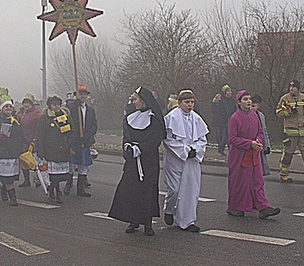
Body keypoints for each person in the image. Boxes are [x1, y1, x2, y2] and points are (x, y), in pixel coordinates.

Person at [108, 87, 166, 236]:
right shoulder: (130, 118)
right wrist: (127, 147)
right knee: (131, 189)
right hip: (132, 162)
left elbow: (155, 139)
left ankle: (147, 223)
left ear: (143, 100)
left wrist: (140, 149)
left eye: (135, 99)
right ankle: (132, 220)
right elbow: (126, 136)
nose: (133, 102)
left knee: (147, 191)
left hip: (148, 161)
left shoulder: (154, 119)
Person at [226, 90, 280, 219]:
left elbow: (260, 132)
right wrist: (249, 143)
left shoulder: (254, 115)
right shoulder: (234, 118)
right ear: (239, 102)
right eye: (245, 99)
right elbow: (232, 138)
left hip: (254, 154)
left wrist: (259, 142)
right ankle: (235, 206)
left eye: (249, 99)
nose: (249, 101)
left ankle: (262, 206)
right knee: (239, 181)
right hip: (239, 156)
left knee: (257, 180)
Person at [162, 90, 208, 233]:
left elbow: (202, 139)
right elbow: (168, 139)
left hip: (192, 161)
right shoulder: (171, 118)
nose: (190, 105)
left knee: (190, 190)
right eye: (187, 102)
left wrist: (196, 149)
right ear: (180, 103)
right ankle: (169, 209)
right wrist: (184, 151)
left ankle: (187, 221)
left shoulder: (197, 119)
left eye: (192, 102)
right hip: (175, 159)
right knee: (174, 189)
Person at [0, 96, 29, 206]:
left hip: (15, 151)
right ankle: (13, 197)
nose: (8, 108)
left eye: (10, 106)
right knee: (7, 176)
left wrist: (30, 142)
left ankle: (4, 191)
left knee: (11, 176)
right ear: (2, 109)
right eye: (5, 106)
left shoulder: (16, 120)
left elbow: (21, 134)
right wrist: (0, 138)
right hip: (3, 152)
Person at [37, 96, 74, 204]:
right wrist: (40, 151)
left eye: (58, 104)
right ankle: (57, 191)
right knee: (53, 174)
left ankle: (53, 187)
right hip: (51, 149)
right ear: (50, 106)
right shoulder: (45, 118)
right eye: (54, 104)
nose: (57, 106)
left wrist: (70, 142)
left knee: (62, 174)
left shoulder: (66, 116)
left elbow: (72, 130)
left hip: (64, 148)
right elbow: (40, 135)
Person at [65, 84, 97, 197]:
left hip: (86, 140)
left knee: (84, 165)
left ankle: (80, 189)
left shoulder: (91, 110)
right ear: (76, 95)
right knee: (72, 164)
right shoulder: (72, 108)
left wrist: (87, 136)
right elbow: (68, 121)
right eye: (80, 94)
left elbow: (94, 125)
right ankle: (68, 184)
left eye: (84, 94)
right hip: (75, 140)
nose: (83, 96)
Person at [17, 94, 41, 187]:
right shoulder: (19, 113)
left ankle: (37, 178)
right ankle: (26, 180)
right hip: (22, 141)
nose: (26, 105)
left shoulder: (36, 114)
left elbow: (40, 128)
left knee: (34, 161)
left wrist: (35, 140)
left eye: (28, 103)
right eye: (24, 103)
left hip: (32, 140)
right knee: (24, 160)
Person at [211, 85, 237, 154]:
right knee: (221, 136)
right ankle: (221, 148)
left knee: (228, 136)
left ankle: (229, 149)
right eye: (228, 91)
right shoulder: (221, 100)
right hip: (221, 121)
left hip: (230, 121)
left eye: (230, 91)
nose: (230, 93)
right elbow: (218, 111)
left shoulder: (232, 101)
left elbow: (235, 110)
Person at [251, 93, 271, 176]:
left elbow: (264, 132)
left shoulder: (261, 116)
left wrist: (267, 146)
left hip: (259, 144)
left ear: (258, 106)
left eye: (253, 106)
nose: (251, 108)